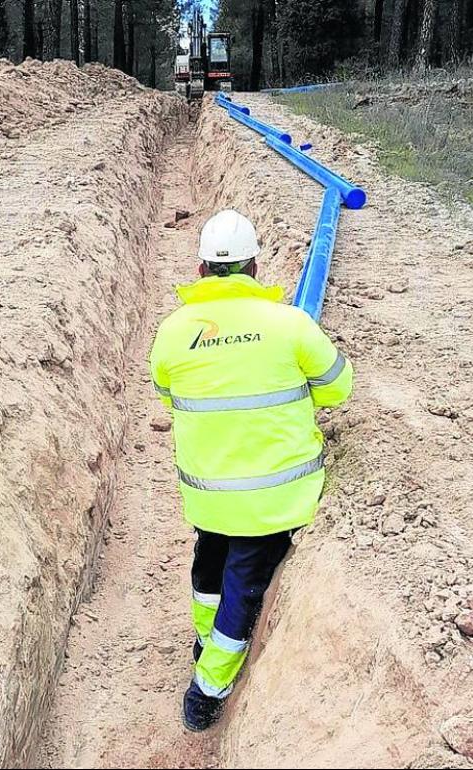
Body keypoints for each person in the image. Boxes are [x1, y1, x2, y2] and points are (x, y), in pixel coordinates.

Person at [148, 209, 353, 732]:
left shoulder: (173, 333)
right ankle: (207, 691)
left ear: (200, 269)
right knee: (243, 587)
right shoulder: (290, 324)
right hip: (275, 500)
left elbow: (170, 395)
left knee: (207, 567)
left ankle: (204, 640)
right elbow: (337, 388)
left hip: (209, 496)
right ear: (255, 267)